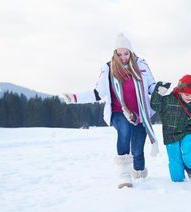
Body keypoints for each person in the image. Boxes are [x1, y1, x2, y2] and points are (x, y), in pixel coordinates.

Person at [62, 33, 158, 189]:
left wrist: (161, 90)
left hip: (140, 113)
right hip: (118, 112)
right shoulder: (108, 68)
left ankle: (138, 170)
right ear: (114, 54)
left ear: (131, 53)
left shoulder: (142, 65)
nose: (123, 57)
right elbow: (98, 93)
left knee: (138, 149)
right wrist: (74, 97)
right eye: (119, 54)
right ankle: (124, 174)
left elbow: (151, 87)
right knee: (124, 131)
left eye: (126, 53)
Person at [151, 75, 191, 182]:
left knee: (190, 148)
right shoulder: (167, 100)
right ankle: (178, 183)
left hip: (186, 130)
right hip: (170, 135)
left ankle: (188, 166)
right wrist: (159, 90)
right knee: (175, 161)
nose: (189, 97)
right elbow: (155, 105)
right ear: (179, 91)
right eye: (187, 94)